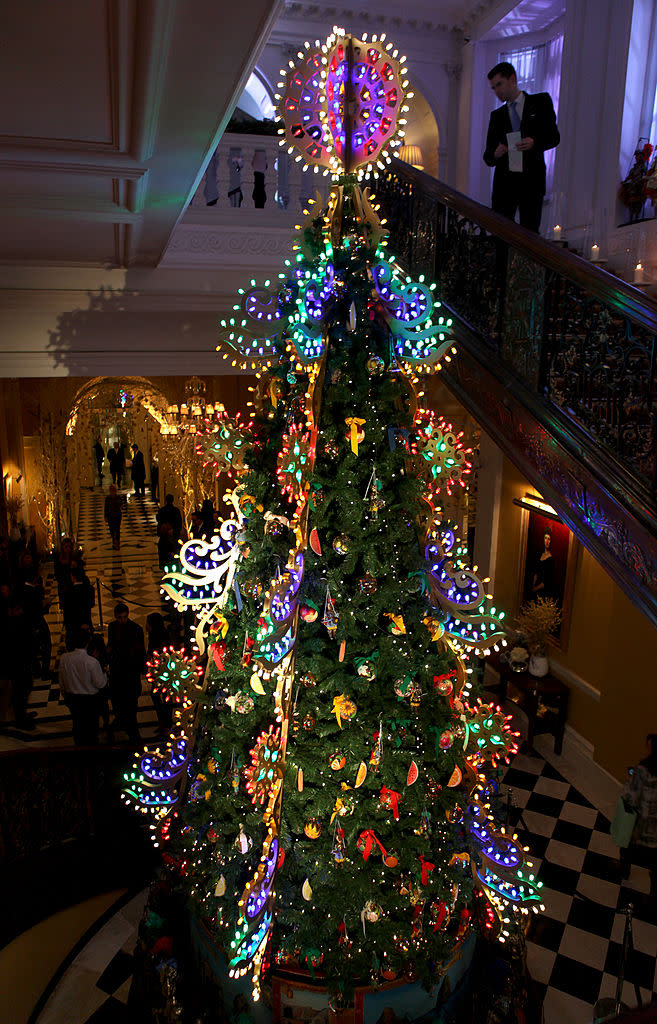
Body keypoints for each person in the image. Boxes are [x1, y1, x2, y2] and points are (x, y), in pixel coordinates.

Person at [483, 61, 560, 233]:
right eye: (493, 87)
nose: (496, 91)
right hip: (504, 184)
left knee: (530, 233)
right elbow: (487, 156)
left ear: (512, 79)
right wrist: (496, 153)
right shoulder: (497, 116)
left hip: (531, 180)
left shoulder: (540, 102)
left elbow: (554, 136)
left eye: (499, 84)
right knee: (501, 234)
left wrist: (534, 142)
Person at [620, 734, 657, 905]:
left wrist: (629, 781)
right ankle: (653, 895)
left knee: (626, 846)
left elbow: (631, 798)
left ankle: (624, 871)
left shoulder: (643, 770)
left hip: (641, 828)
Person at [58, 627, 108, 745]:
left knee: (77, 726)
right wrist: (104, 672)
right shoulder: (91, 662)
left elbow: (62, 680)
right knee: (91, 729)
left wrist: (65, 695)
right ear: (88, 642)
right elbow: (100, 683)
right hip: (89, 700)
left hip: (73, 699)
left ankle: (79, 750)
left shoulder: (64, 658)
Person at [107, 602, 145, 743]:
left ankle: (132, 731)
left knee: (131, 702)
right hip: (117, 670)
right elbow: (111, 645)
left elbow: (140, 650)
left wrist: (142, 669)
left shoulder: (136, 629)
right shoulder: (112, 627)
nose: (121, 620)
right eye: (119, 618)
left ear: (128, 615)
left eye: (123, 617)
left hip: (130, 670)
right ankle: (122, 722)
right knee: (118, 700)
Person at [146, 612, 174, 735]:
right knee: (166, 697)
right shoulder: (164, 633)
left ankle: (165, 723)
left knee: (158, 696)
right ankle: (166, 723)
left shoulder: (155, 636)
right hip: (167, 671)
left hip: (161, 672)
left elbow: (151, 653)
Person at [531, 529, 555, 600]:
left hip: (544, 590)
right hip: (535, 587)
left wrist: (536, 588)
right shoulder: (539, 555)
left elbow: (547, 580)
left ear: (551, 542)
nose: (547, 541)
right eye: (545, 538)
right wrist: (533, 586)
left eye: (549, 539)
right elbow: (536, 572)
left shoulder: (551, 559)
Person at [104, 483, 124, 550]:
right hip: (110, 516)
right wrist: (105, 516)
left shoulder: (118, 498)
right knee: (112, 530)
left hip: (117, 516)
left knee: (117, 529)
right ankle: (114, 541)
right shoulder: (107, 498)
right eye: (110, 490)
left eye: (113, 490)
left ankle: (117, 542)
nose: (112, 491)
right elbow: (106, 508)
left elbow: (121, 505)